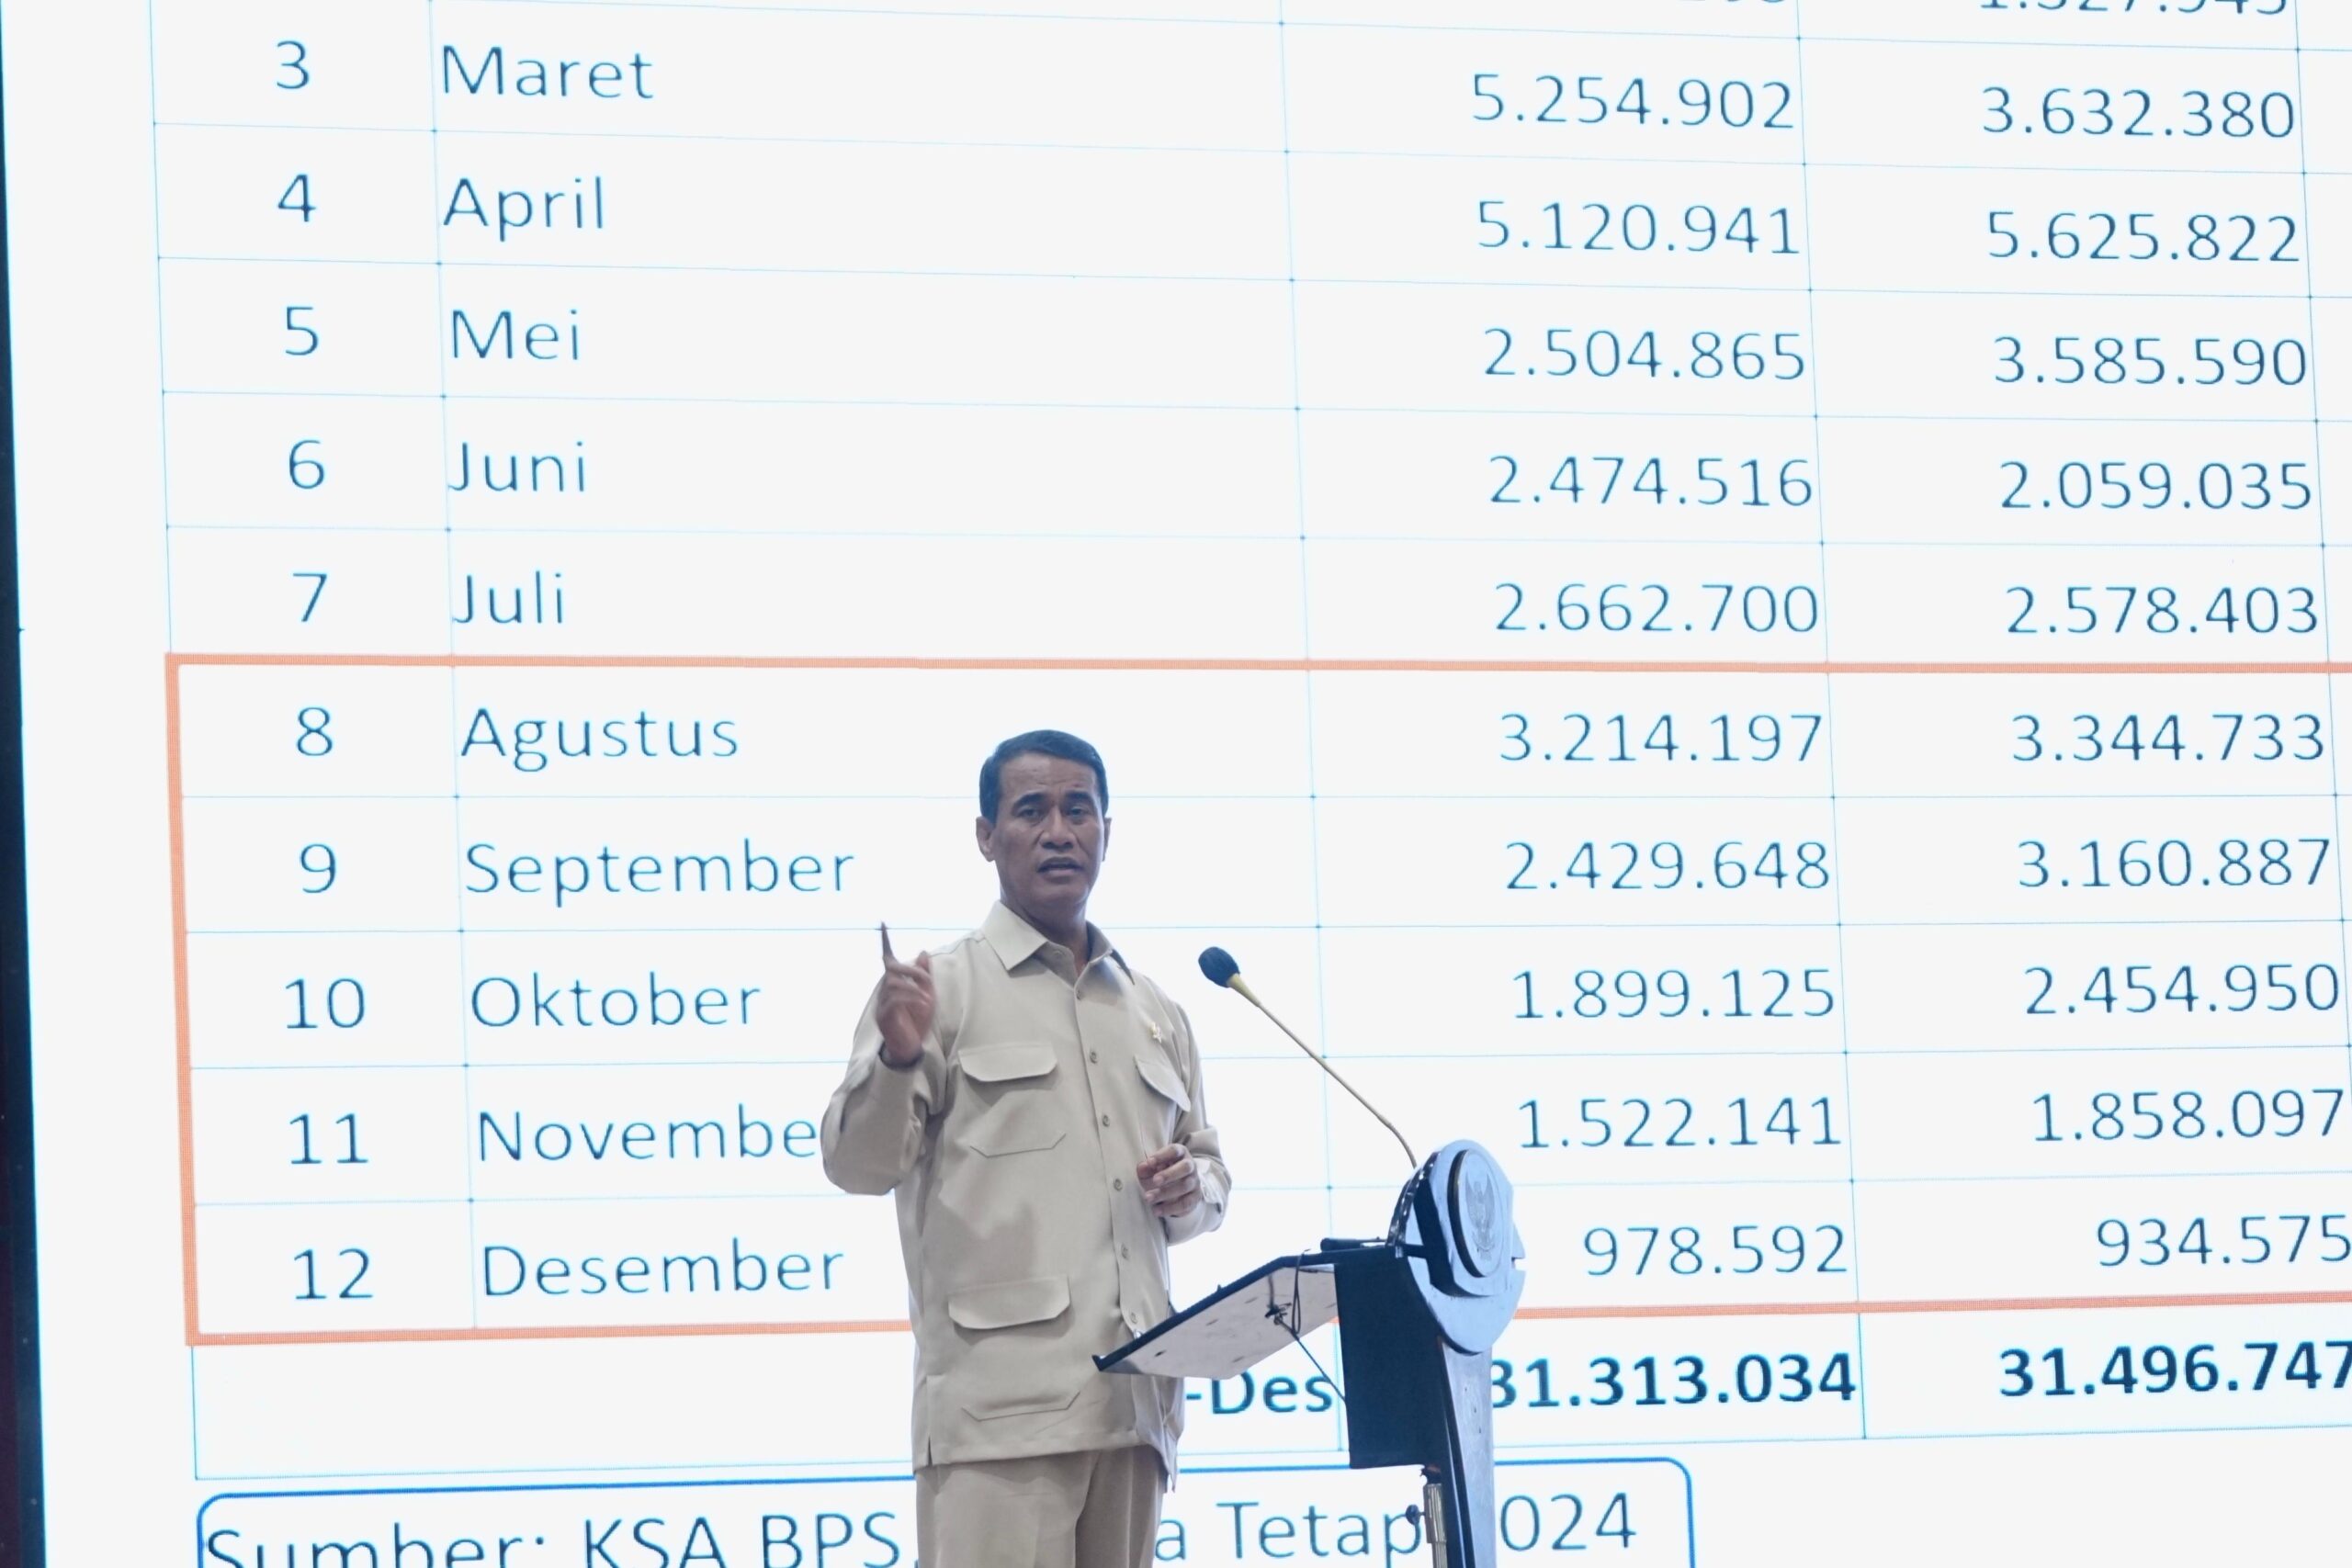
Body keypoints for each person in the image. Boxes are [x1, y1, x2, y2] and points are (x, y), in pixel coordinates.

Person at [821, 729, 1230, 1568]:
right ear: (986, 835)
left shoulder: (1154, 1010)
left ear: (1107, 832)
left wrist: (1192, 1189)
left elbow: (1209, 1170)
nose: (1058, 832)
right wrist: (899, 1055)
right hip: (998, 1424)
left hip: (1134, 1412)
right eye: (1031, 810)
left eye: (1079, 810)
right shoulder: (939, 989)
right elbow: (856, 1165)